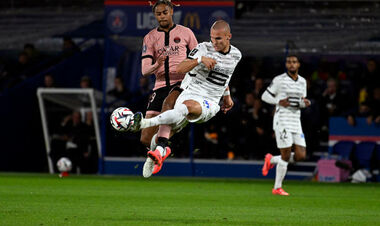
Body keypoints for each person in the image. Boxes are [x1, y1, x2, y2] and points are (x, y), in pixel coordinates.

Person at [130, 20, 242, 177]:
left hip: (209, 100)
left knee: (185, 107)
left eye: (218, 39)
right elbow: (180, 68)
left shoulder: (236, 55)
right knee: (150, 136)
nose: (214, 42)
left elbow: (225, 77)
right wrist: (200, 60)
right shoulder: (203, 48)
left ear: (229, 36)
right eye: (212, 38)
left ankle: (144, 123)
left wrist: (227, 97)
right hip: (189, 90)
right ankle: (160, 151)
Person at [139, 0, 198, 168]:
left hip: (181, 83)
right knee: (145, 138)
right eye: (158, 14)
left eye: (165, 12)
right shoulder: (150, 37)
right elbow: (144, 71)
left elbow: (197, 58)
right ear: (155, 15)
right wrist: (157, 64)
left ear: (172, 11)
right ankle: (163, 150)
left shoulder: (186, 33)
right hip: (159, 86)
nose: (162, 16)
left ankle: (164, 143)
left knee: (168, 104)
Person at [261, 55, 311, 196]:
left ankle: (271, 159)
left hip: (296, 120)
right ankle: (277, 187)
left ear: (298, 64)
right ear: (286, 65)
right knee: (286, 154)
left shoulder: (302, 81)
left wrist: (305, 103)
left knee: (301, 155)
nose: (291, 64)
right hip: (282, 119)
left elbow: (300, 101)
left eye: (294, 62)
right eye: (289, 62)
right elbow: (264, 96)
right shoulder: (279, 80)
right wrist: (278, 100)